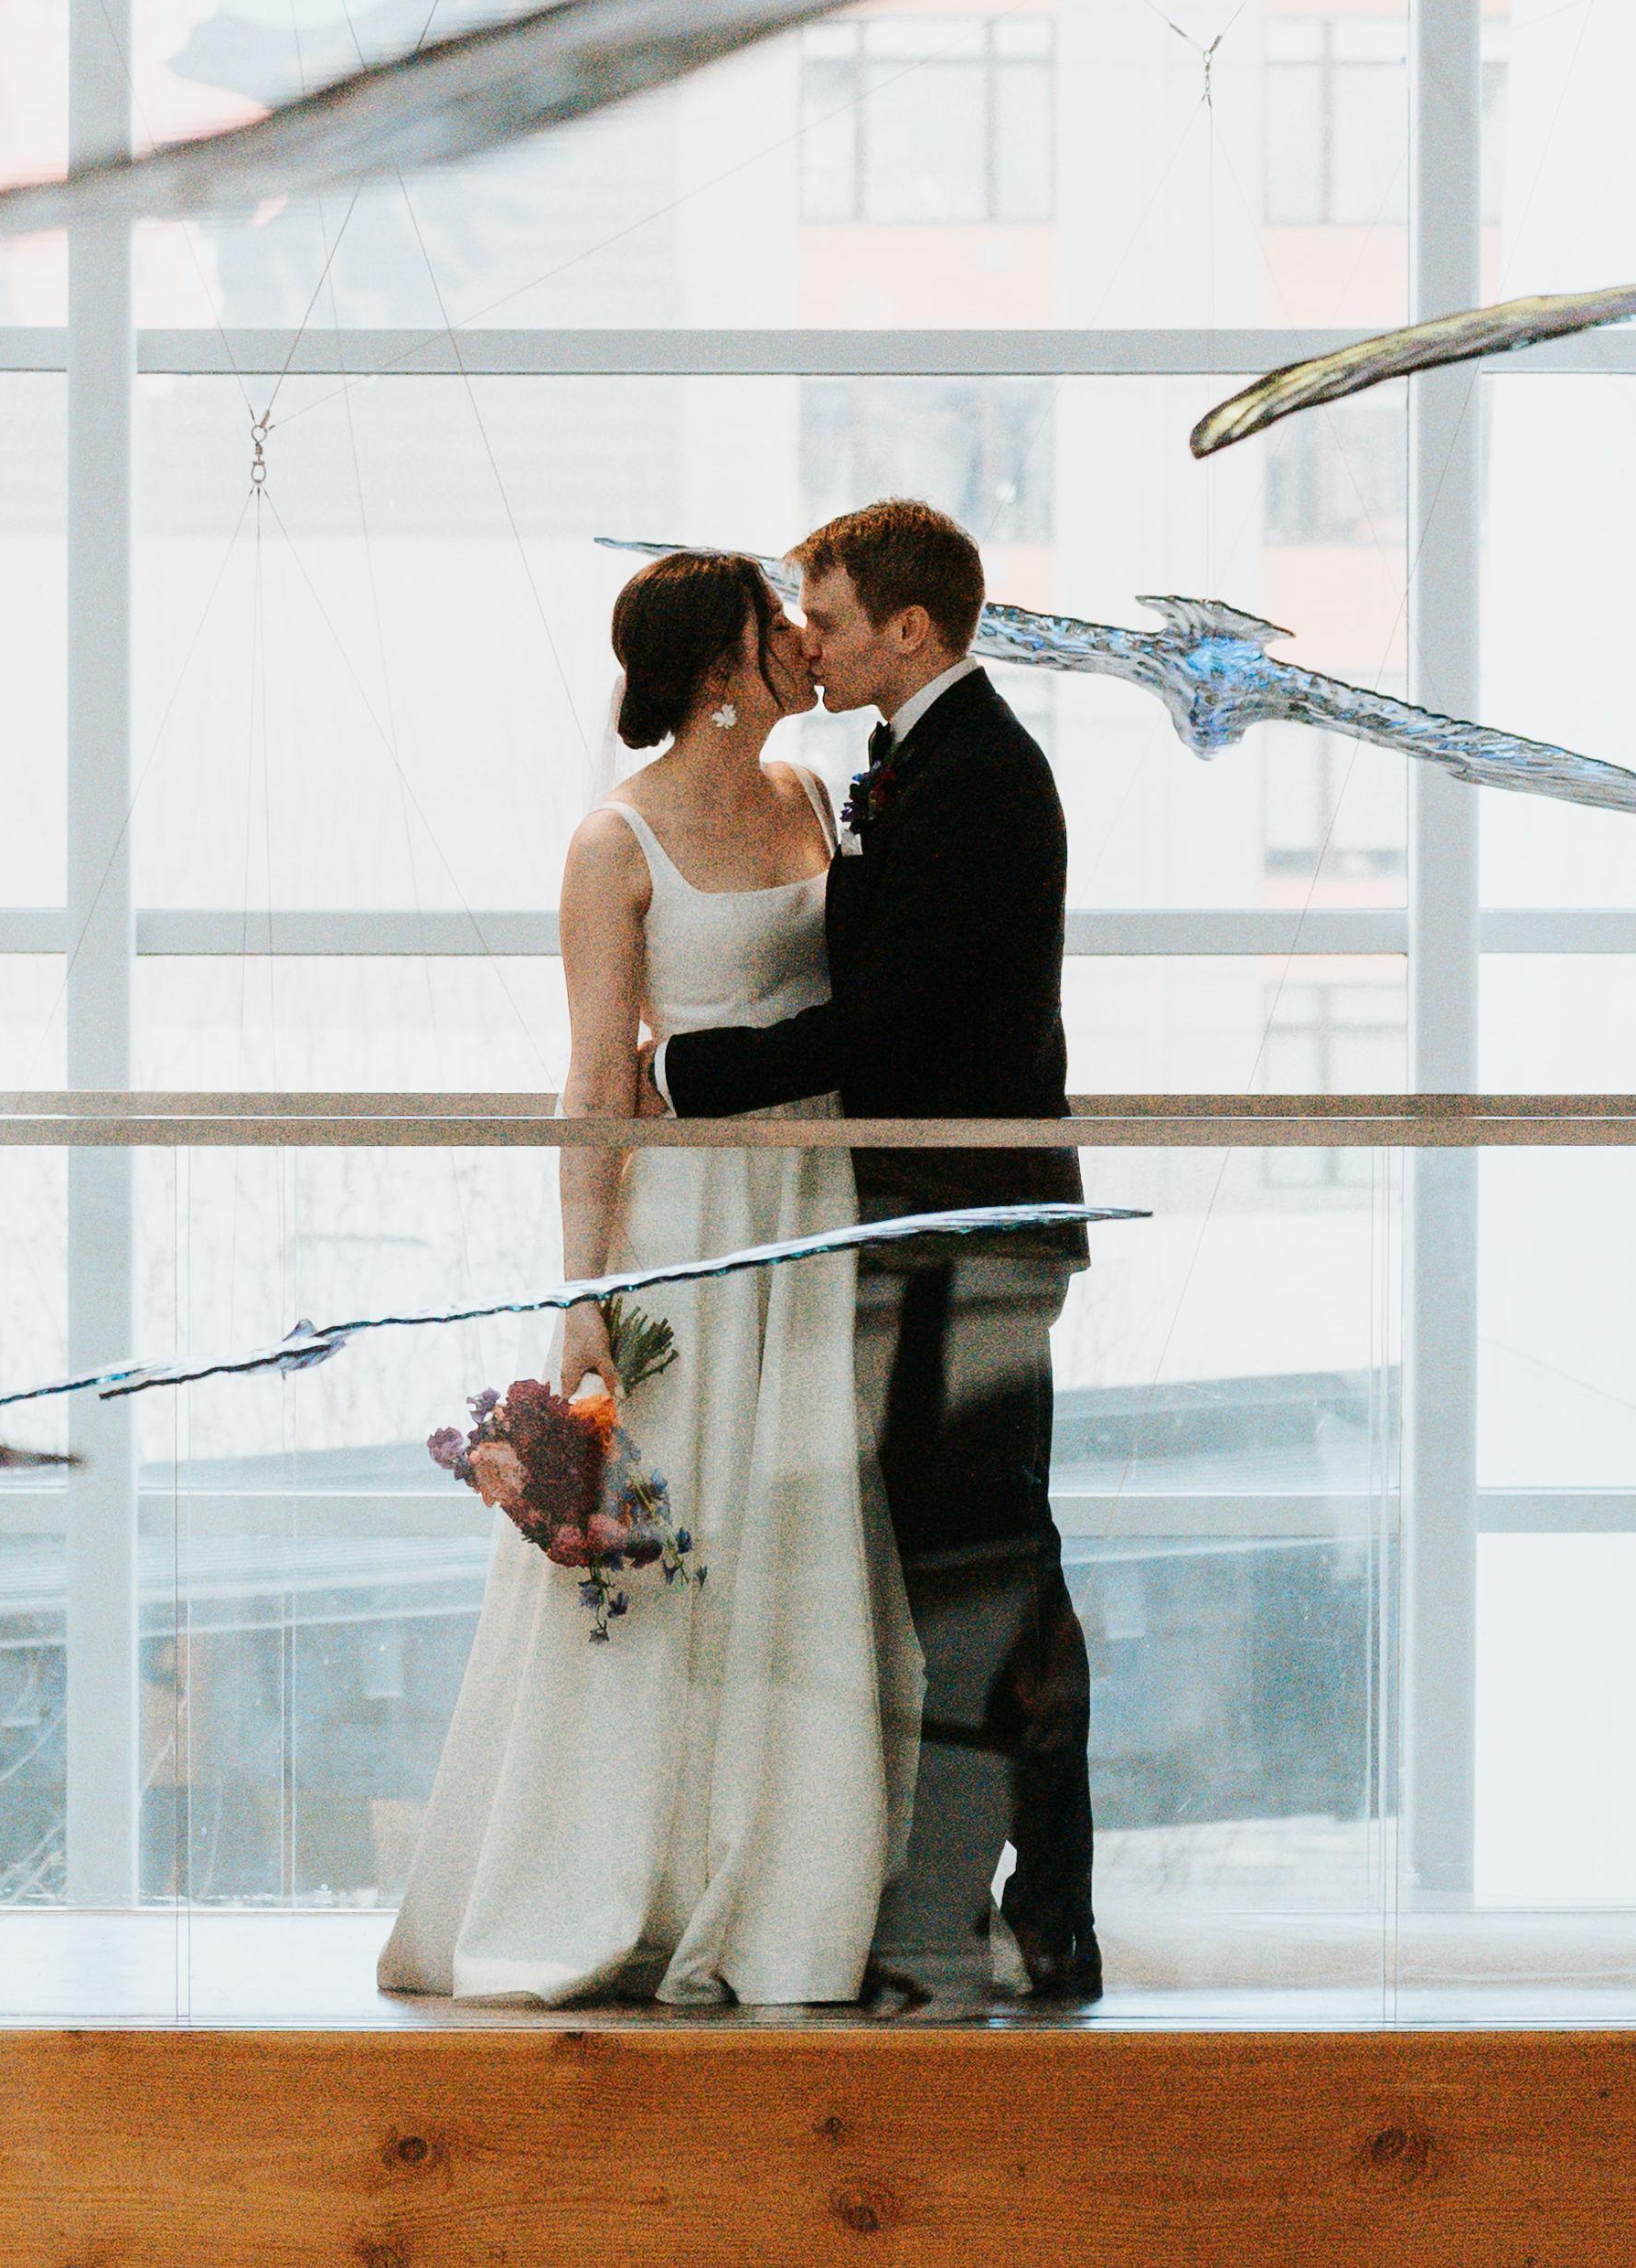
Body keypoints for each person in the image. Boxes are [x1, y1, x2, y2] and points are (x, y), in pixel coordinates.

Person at [378, 554, 914, 2007]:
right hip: (685, 1217)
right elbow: (594, 1077)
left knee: (796, 1512)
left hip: (811, 1193)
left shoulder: (814, 797)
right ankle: (613, 1878)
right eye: (770, 624)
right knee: (671, 1519)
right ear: (716, 667)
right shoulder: (612, 843)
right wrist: (580, 1290)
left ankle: (785, 1886)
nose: (800, 638)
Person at [659, 499, 1098, 2015]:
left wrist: (693, 1074)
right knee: (966, 1574)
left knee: (982, 1581)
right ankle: (992, 1910)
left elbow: (895, 1019)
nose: (811, 642)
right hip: (931, 1220)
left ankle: (1007, 1920)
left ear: (909, 629)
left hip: (966, 1227)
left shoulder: (979, 774)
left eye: (832, 619)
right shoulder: (923, 759)